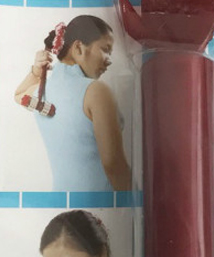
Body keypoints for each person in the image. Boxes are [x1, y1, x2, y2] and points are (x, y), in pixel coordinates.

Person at [14, 15, 131, 191]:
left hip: (59, 199)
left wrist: (37, 71)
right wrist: (133, 201)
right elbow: (113, 165)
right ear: (78, 48)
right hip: (100, 201)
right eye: (106, 49)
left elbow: (19, 94)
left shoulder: (41, 92)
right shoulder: (96, 91)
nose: (109, 60)